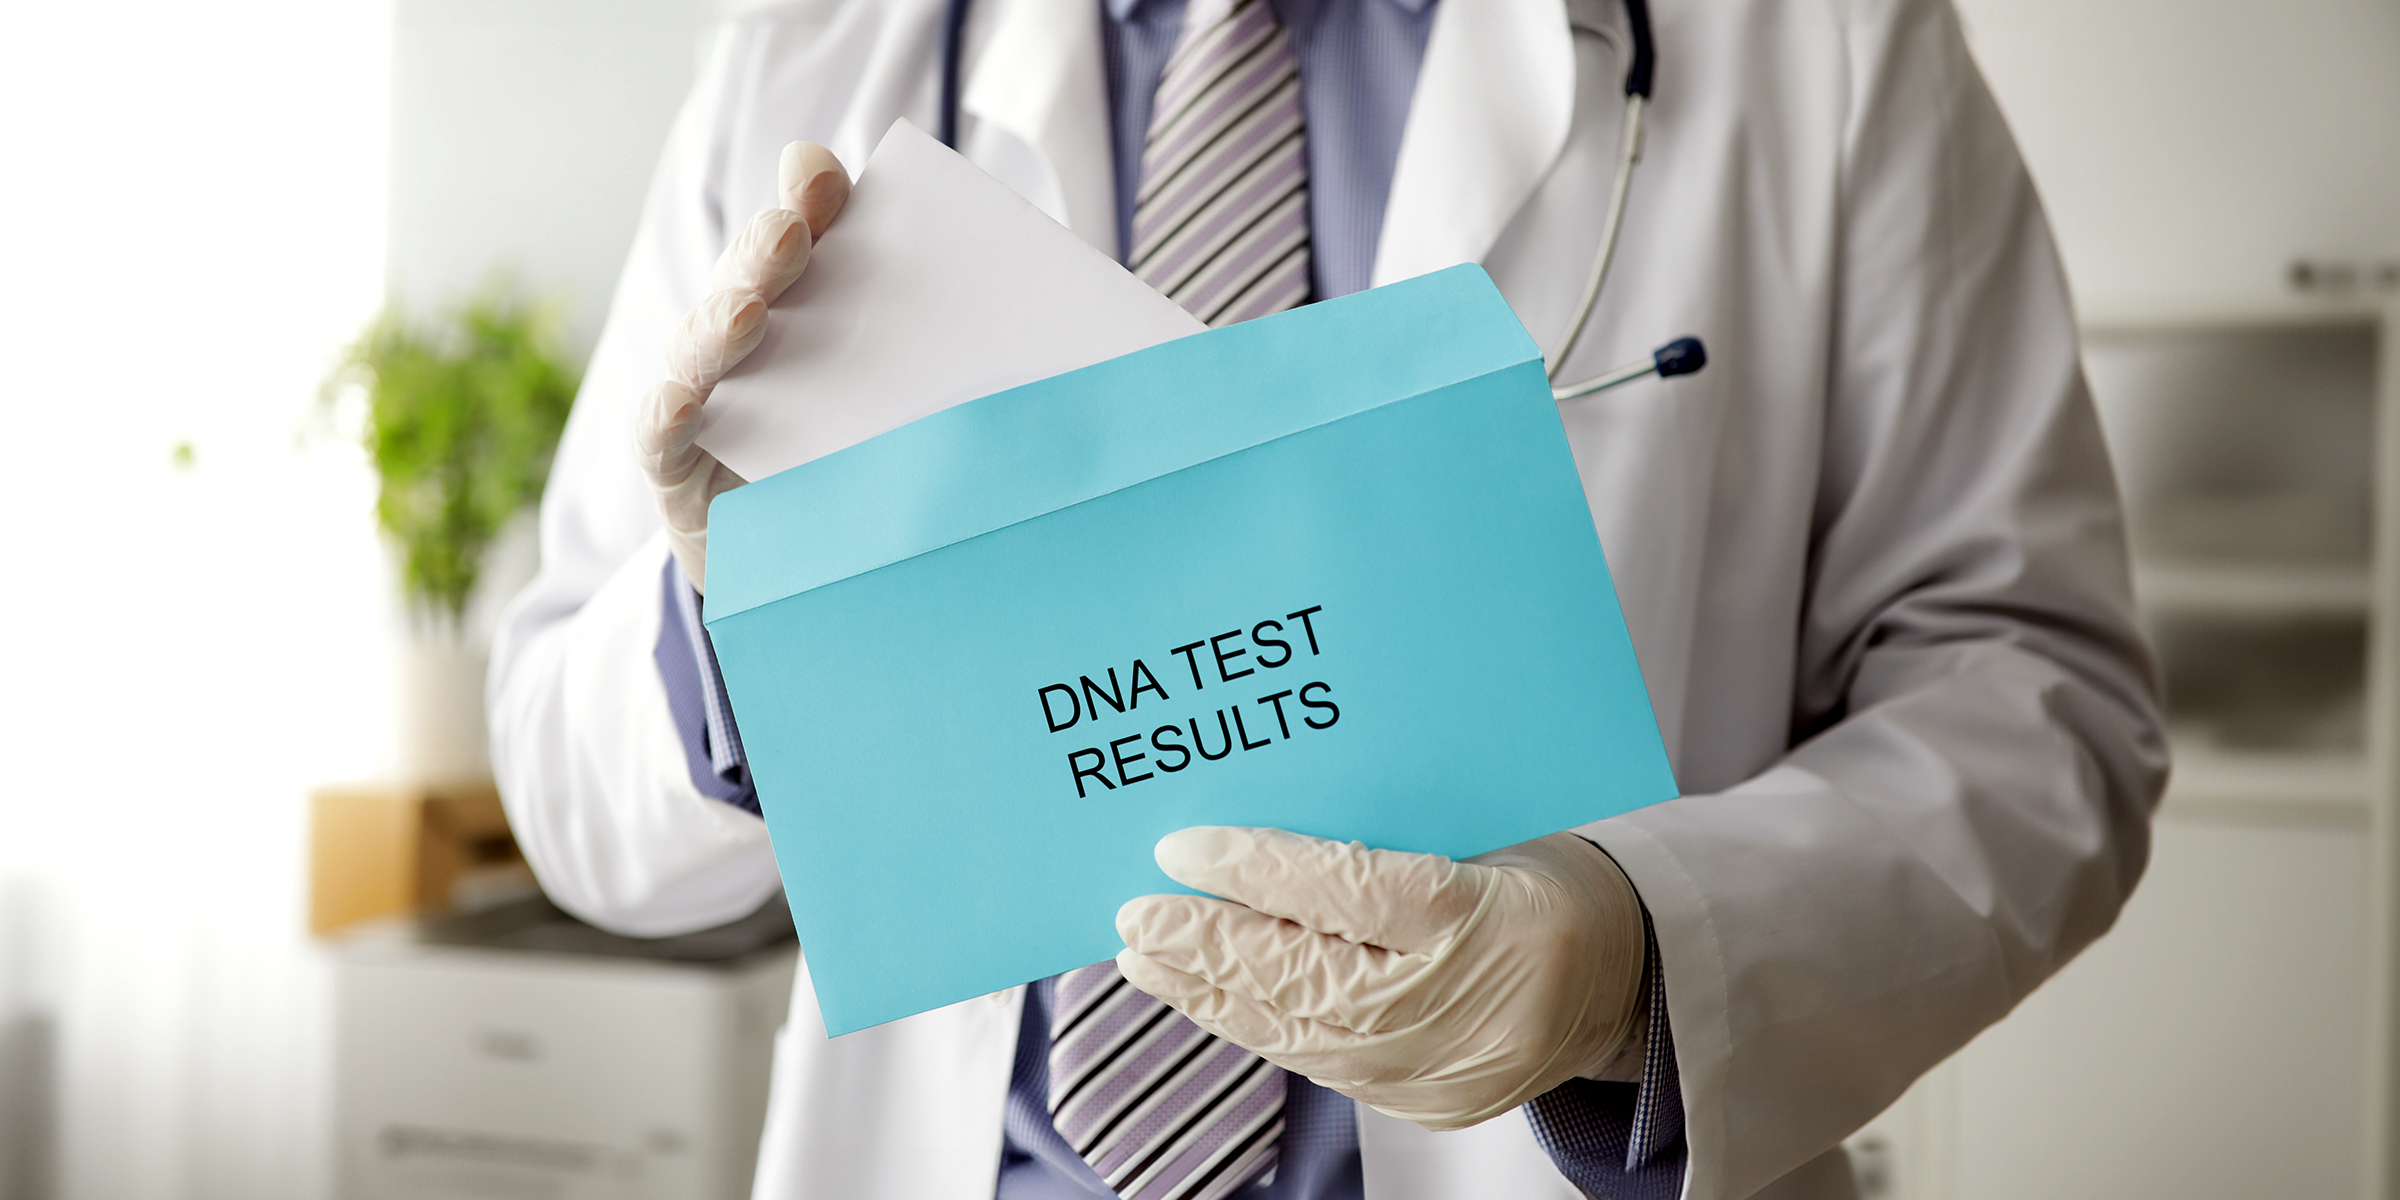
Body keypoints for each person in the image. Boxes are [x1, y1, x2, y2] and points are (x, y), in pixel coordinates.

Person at [487, 0, 2168, 1196]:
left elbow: (2036, 701)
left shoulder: (1826, 45)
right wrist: (752, 636)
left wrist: (1635, 965)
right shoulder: (805, 57)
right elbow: (572, 780)